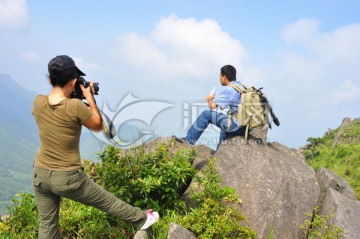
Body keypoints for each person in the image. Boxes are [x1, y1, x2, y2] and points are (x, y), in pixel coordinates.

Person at [32, 55, 159, 238]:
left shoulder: (38, 102)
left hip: (40, 174)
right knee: (107, 201)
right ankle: (142, 218)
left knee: (47, 226)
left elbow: (54, 107)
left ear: (50, 79)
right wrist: (89, 98)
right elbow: (98, 125)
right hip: (67, 177)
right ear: (73, 81)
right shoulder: (76, 106)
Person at [173, 65, 245, 153]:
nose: (219, 78)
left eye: (220, 76)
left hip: (237, 127)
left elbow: (212, 107)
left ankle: (189, 141)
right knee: (225, 124)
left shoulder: (229, 90)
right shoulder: (241, 87)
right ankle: (219, 153)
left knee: (206, 114)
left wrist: (209, 98)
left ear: (224, 77)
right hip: (246, 127)